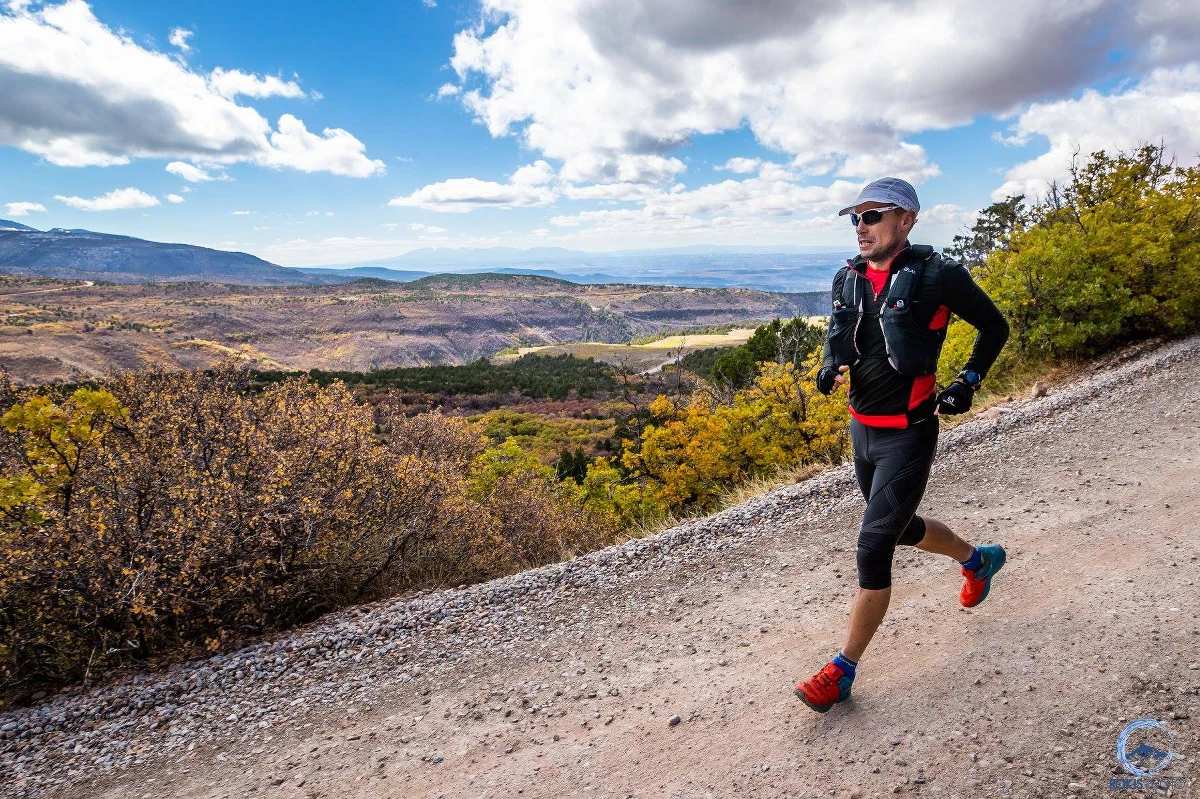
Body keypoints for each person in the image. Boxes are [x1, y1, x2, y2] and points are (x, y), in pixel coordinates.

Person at [793, 176, 1011, 714]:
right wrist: (827, 368)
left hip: (909, 433)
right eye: (856, 217)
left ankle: (840, 672)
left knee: (873, 545)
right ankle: (976, 560)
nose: (861, 226)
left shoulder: (938, 274)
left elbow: (994, 327)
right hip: (861, 429)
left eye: (873, 216)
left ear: (906, 219)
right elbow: (837, 336)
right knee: (901, 527)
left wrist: (967, 382)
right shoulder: (848, 277)